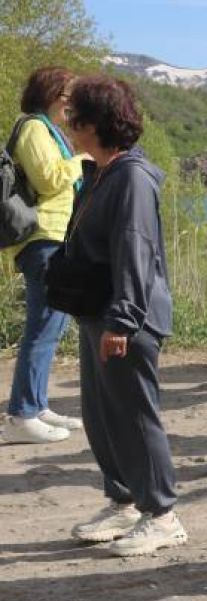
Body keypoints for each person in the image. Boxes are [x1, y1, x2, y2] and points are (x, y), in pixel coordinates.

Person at [62, 76, 186, 557]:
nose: (67, 123)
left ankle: (163, 515)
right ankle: (125, 501)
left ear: (94, 123)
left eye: (74, 116)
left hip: (126, 317)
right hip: (100, 311)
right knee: (101, 415)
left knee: (133, 416)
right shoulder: (103, 172)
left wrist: (123, 320)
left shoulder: (132, 177)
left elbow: (135, 250)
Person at [2, 66, 83, 444]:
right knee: (43, 327)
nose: (71, 104)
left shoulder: (50, 131)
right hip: (42, 238)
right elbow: (49, 180)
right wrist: (81, 159)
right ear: (50, 95)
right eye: (68, 96)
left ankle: (36, 404)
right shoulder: (34, 128)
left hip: (56, 237)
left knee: (53, 327)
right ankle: (21, 415)